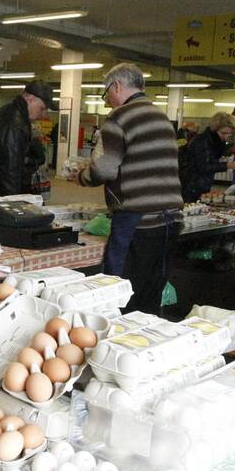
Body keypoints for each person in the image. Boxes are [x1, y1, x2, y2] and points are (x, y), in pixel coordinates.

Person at [77, 64, 183, 315]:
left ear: (117, 86)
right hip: (171, 218)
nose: (108, 102)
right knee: (151, 290)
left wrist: (81, 176)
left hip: (137, 218)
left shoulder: (119, 118)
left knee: (119, 290)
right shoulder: (161, 118)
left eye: (106, 94)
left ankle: (117, 342)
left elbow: (104, 170)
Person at [179, 111, 235, 202]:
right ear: (215, 129)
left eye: (229, 134)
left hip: (201, 184)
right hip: (191, 186)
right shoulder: (202, 141)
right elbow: (203, 166)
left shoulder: (214, 142)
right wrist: (226, 165)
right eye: (223, 133)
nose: (225, 137)